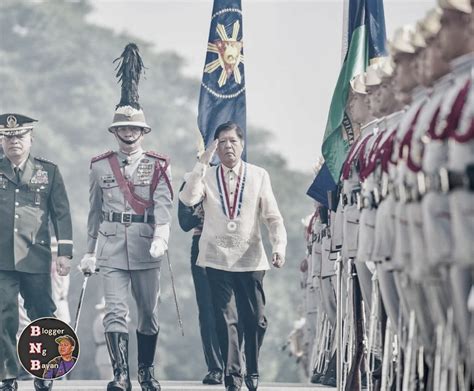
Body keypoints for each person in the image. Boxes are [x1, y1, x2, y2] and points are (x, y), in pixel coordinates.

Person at [79, 43, 173, 391]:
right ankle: (121, 375)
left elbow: (163, 203)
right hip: (112, 248)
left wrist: (162, 234)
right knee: (115, 311)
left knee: (148, 315)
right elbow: (93, 212)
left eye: (134, 130)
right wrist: (89, 250)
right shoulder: (99, 165)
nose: (129, 134)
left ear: (143, 132)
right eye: (123, 129)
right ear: (115, 131)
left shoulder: (158, 165)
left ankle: (146, 371)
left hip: (147, 246)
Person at [180, 121, 287, 391]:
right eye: (222, 142)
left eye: (233, 141)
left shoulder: (259, 175)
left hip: (250, 258)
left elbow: (273, 217)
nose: (228, 146)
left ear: (242, 144)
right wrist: (202, 164)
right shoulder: (206, 174)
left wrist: (279, 247)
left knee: (256, 319)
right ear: (215, 147)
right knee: (225, 319)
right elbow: (188, 199)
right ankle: (233, 375)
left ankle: (252, 367)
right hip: (216, 258)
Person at [0, 113, 73, 391]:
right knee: (3, 315)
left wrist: (64, 253)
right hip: (2, 259)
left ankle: (45, 369)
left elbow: (61, 214)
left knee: (42, 314)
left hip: (35, 256)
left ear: (31, 139)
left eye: (19, 136)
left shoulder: (48, 172)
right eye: (7, 137)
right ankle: (7, 375)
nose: (13, 141)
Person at [177, 186, 223, 384]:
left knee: (236, 308)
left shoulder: (242, 178)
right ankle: (215, 367)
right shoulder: (193, 181)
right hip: (202, 243)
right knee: (207, 309)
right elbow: (185, 222)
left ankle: (236, 362)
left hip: (234, 245)